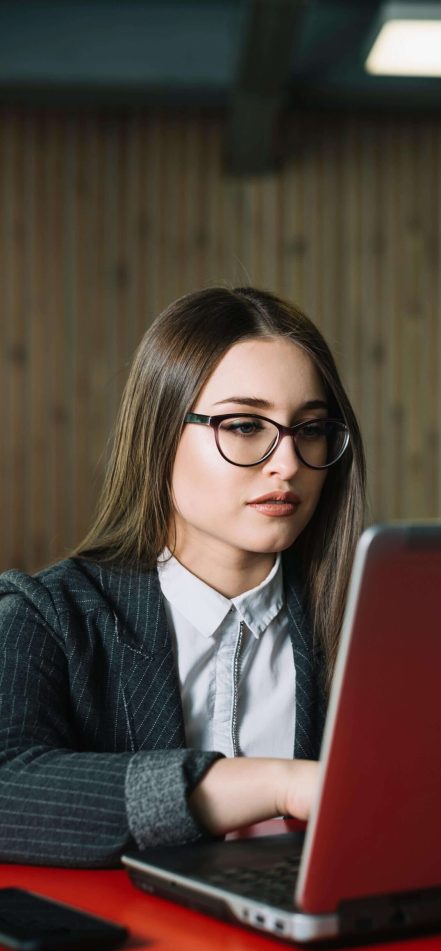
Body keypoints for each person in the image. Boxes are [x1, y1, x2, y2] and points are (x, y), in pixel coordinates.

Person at [0, 287, 366, 867]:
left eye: (311, 428)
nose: (288, 463)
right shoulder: (45, 616)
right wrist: (275, 784)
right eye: (245, 425)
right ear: (160, 433)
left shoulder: (368, 627)